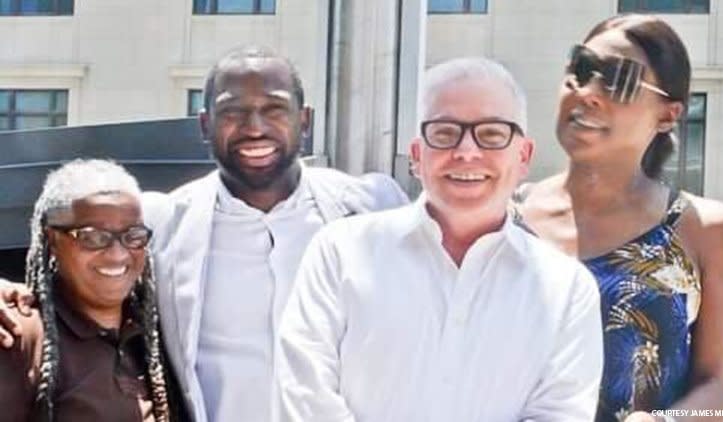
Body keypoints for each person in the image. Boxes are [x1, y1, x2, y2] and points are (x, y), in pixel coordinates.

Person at [0, 46, 407, 422]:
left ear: (305, 120)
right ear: (205, 124)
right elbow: (77, 271)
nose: (255, 128)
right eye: (233, 113)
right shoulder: (162, 222)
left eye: (275, 109)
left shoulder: (371, 208)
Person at [275, 57, 604, 421]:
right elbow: (304, 396)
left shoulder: (566, 289)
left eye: (492, 134)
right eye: (445, 133)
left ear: (523, 155)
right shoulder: (340, 252)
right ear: (417, 155)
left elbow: (559, 414)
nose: (467, 152)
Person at [512, 15, 723, 422]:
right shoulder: (502, 219)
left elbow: (717, 390)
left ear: (669, 115)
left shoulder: (705, 230)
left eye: (618, 80)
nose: (587, 93)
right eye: (581, 69)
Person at [0, 159, 180, 421]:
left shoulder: (159, 330)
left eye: (133, 235)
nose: (118, 254)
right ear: (52, 239)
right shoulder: (18, 334)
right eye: (93, 237)